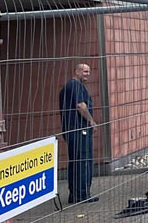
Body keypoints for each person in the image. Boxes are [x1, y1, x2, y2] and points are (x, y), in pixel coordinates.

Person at [59, 63, 97, 204]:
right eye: (85, 71)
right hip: (79, 129)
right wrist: (91, 121)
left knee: (76, 161)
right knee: (82, 161)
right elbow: (81, 105)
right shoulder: (75, 86)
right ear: (77, 72)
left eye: (88, 71)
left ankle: (75, 194)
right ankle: (81, 195)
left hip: (73, 129)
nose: (87, 74)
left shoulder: (69, 87)